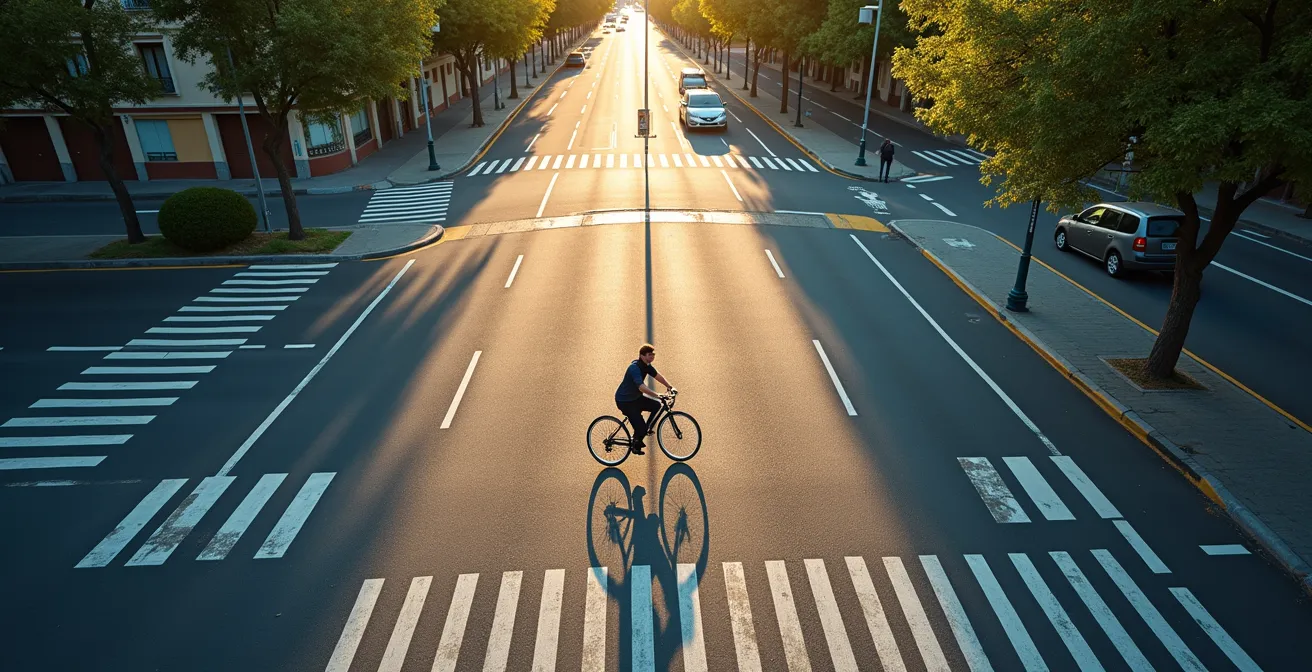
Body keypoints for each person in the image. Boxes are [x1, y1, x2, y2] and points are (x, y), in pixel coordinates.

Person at [614, 344, 675, 455]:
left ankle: (642, 432)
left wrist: (669, 386)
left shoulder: (647, 366)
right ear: (642, 356)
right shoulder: (634, 368)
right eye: (649, 355)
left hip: (636, 398)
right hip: (625, 401)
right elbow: (641, 387)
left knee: (656, 405)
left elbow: (657, 376)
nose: (652, 357)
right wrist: (658, 395)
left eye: (653, 354)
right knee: (641, 428)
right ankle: (636, 443)